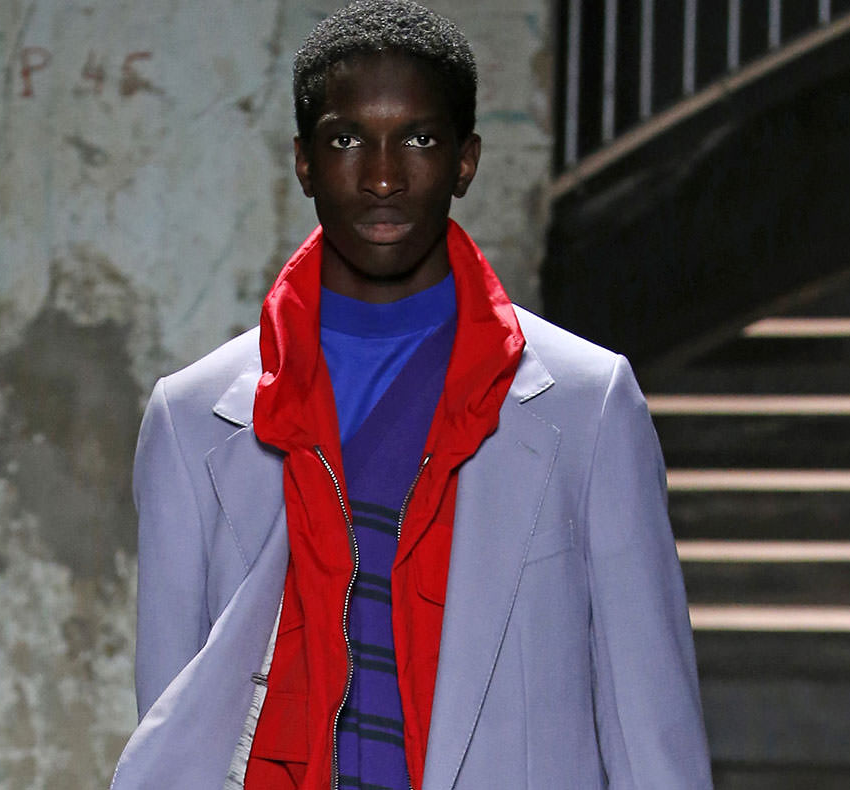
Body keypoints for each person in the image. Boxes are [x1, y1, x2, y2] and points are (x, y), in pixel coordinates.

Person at [110, 2, 710, 788]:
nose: (384, 177)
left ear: (466, 162)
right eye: (346, 139)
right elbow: (176, 740)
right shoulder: (191, 421)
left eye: (419, 139)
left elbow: (649, 731)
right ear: (303, 163)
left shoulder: (587, 405)